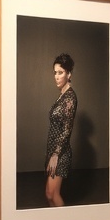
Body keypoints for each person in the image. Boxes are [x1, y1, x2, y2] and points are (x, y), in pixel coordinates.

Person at [45, 53, 77, 208]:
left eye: (61, 72)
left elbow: (67, 128)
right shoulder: (61, 96)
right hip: (53, 150)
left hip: (61, 152)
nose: (56, 77)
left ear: (69, 74)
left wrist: (56, 154)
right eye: (55, 73)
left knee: (53, 194)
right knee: (49, 194)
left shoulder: (70, 97)